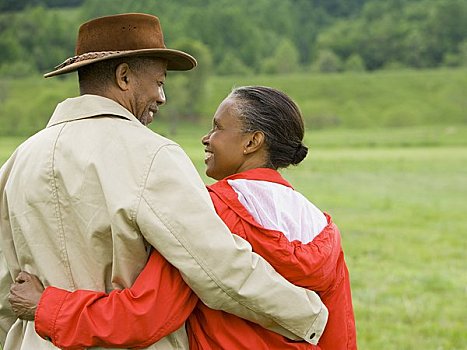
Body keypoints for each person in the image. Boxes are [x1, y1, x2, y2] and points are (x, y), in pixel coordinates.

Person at [0, 13, 329, 350]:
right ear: (124, 76)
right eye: (159, 82)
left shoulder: (18, 161)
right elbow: (217, 265)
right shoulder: (152, 155)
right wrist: (309, 314)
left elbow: (5, 291)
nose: (162, 97)